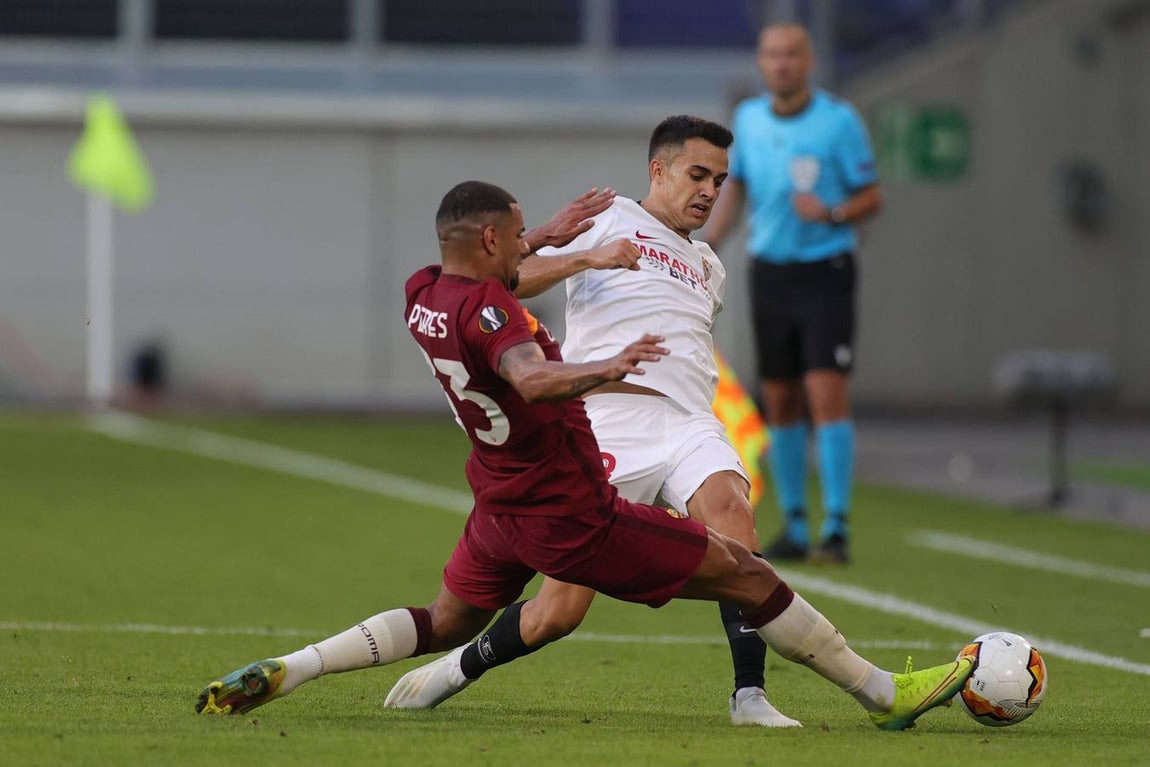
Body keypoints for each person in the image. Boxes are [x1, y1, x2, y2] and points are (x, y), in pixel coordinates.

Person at [195, 179, 970, 732]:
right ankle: (883, 693)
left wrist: (551, 239)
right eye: (520, 230)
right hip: (571, 512)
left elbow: (497, 277)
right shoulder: (496, 311)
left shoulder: (424, 293)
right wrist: (606, 365)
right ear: (492, 239)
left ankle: (296, 666)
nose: (531, 241)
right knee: (748, 570)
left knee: (442, 620)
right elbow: (531, 376)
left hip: (498, 509)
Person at [387, 115, 797, 728]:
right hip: (607, 419)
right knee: (559, 612)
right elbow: (509, 282)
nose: (710, 190)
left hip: (688, 422)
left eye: (720, 179)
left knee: (736, 520)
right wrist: (588, 258)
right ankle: (456, 668)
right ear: (658, 170)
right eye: (697, 174)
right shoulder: (607, 219)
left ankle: (750, 696)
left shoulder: (710, 264)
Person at [704, 22, 883, 565]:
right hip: (770, 270)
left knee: (825, 392)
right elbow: (738, 188)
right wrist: (706, 242)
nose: (781, 63)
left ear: (807, 63)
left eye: (791, 55)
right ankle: (796, 525)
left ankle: (836, 525)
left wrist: (832, 213)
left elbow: (871, 196)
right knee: (779, 396)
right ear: (761, 62)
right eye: (772, 54)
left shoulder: (839, 121)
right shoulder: (748, 119)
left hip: (825, 270)